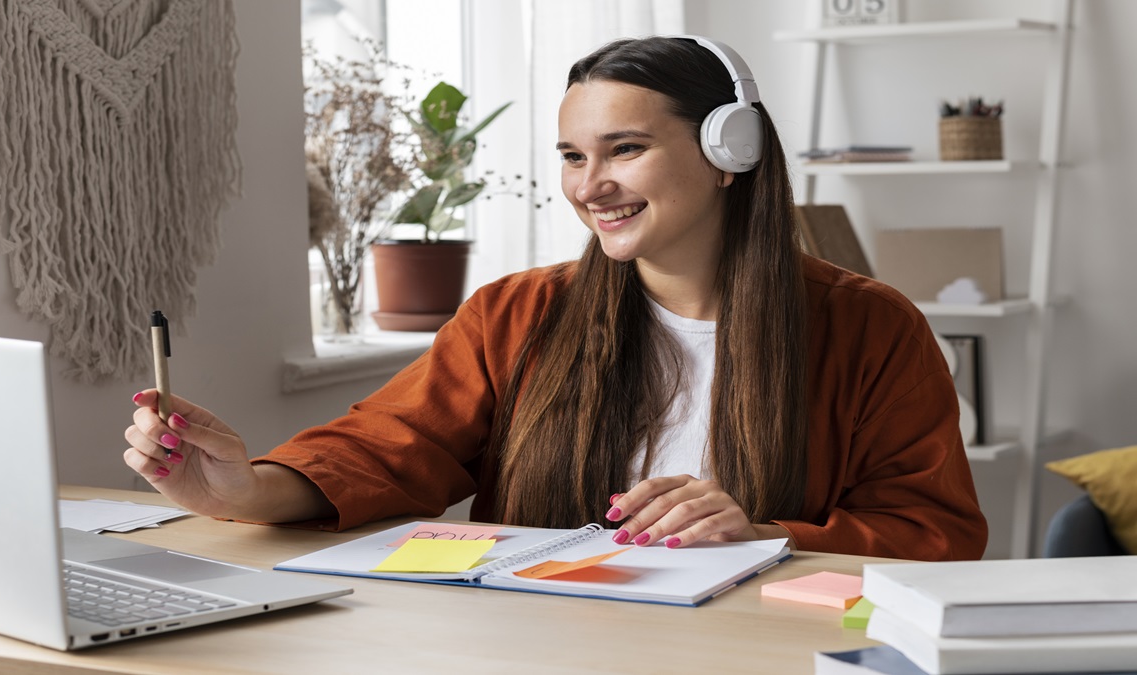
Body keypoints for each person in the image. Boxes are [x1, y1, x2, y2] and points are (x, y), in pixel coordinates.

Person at [125, 35, 988, 561]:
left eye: (624, 149)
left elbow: (934, 532)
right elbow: (388, 448)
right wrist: (242, 489)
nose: (591, 185)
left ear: (732, 152)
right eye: (573, 156)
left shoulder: (872, 327)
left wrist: (766, 533)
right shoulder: (517, 314)